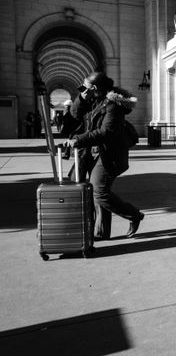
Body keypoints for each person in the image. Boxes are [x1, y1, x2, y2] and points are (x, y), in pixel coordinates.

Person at [64, 72, 144, 240]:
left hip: (108, 154)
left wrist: (79, 140)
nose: (82, 89)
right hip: (90, 153)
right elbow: (73, 117)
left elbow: (106, 132)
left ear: (94, 88)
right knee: (95, 192)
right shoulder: (91, 101)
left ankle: (133, 215)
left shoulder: (113, 106)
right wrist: (82, 99)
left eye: (85, 86)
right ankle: (101, 233)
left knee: (99, 192)